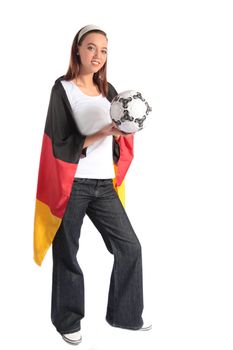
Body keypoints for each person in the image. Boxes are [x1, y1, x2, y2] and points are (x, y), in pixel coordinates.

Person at [33, 24, 151, 346]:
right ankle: (67, 321)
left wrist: (125, 131)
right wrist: (104, 133)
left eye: (104, 50)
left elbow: (116, 134)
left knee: (130, 246)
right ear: (77, 50)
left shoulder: (108, 90)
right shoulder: (63, 89)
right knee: (68, 252)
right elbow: (60, 141)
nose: (97, 55)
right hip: (73, 184)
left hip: (103, 186)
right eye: (91, 48)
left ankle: (125, 315)